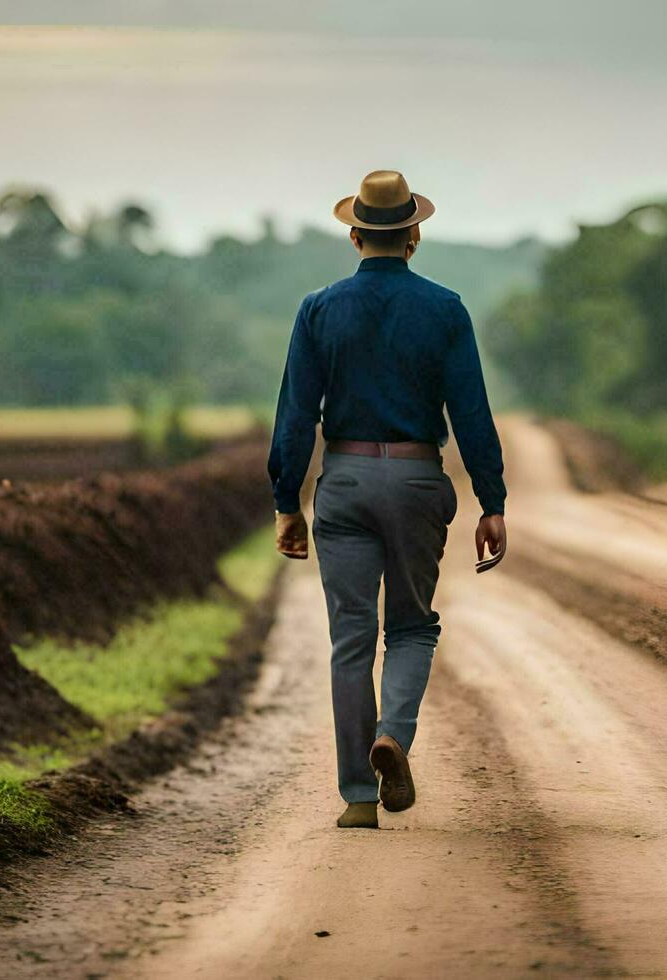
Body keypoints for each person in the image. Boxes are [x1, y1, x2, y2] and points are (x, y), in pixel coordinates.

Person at [268, 170, 507, 830]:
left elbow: (295, 414)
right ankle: (393, 736)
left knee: (351, 638)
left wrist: (286, 499)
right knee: (410, 626)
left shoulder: (318, 309)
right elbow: (472, 414)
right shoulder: (446, 309)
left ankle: (357, 796)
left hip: (342, 481)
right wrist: (492, 500)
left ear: (354, 236)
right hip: (414, 481)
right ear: (415, 235)